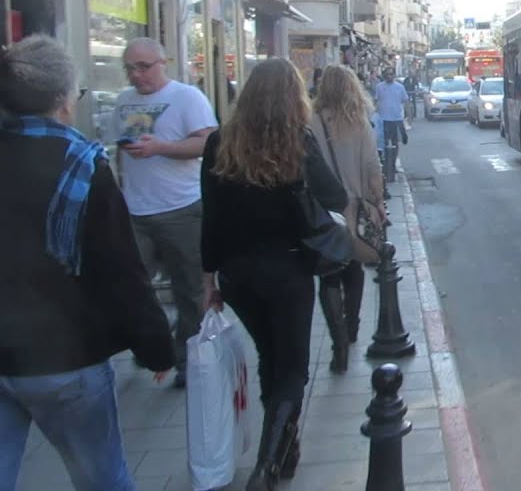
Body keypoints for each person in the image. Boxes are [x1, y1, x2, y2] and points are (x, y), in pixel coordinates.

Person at [0, 35, 174, 490]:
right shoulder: (80, 166)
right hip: (65, 357)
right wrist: (155, 346)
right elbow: (121, 272)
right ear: (62, 99)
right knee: (103, 479)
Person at [200, 58, 347, 491]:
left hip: (238, 274)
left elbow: (210, 217)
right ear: (292, 97)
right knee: (293, 368)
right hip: (288, 269)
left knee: (270, 357)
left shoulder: (218, 142)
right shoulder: (297, 142)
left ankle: (285, 444)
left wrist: (209, 280)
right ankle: (268, 463)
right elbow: (335, 195)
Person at [114, 37, 217, 388]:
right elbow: (120, 152)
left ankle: (186, 358)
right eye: (129, 68)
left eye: (143, 67)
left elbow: (208, 142)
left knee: (188, 288)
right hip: (135, 210)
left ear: (163, 63)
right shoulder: (123, 101)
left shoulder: (187, 97)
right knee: (132, 287)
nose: (136, 75)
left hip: (181, 208)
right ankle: (152, 348)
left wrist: (162, 147)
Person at [309, 65, 386, 373]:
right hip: (354, 207)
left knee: (328, 273)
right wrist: (378, 201)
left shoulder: (309, 122)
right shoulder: (359, 122)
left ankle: (338, 340)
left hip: (321, 210)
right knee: (353, 266)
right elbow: (372, 165)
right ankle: (352, 328)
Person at [373, 68, 409, 171]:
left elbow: (406, 101)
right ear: (384, 75)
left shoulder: (400, 87)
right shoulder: (379, 87)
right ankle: (384, 163)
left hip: (396, 119)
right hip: (383, 119)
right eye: (388, 74)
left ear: (394, 75)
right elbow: (375, 101)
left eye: (391, 74)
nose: (390, 76)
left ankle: (393, 163)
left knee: (395, 142)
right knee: (383, 142)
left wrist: (408, 116)